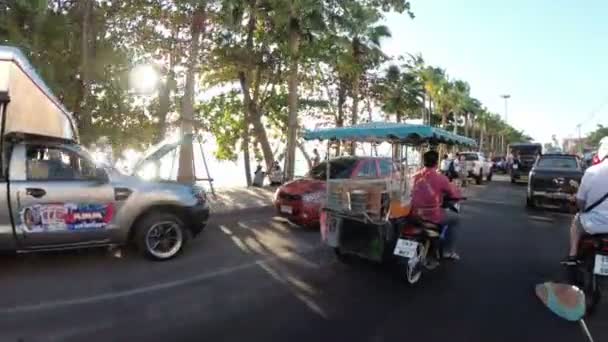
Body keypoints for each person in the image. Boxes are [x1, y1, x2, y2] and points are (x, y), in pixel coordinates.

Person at [562, 136, 608, 265]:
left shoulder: (591, 172)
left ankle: (572, 255)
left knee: (576, 221)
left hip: (593, 224)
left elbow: (581, 202)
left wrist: (580, 206)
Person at [410, 150, 462, 260]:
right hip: (432, 216)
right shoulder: (441, 178)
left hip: (414, 214)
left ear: (424, 161)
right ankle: (448, 252)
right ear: (436, 163)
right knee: (456, 219)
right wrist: (458, 193)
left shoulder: (414, 176)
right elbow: (453, 193)